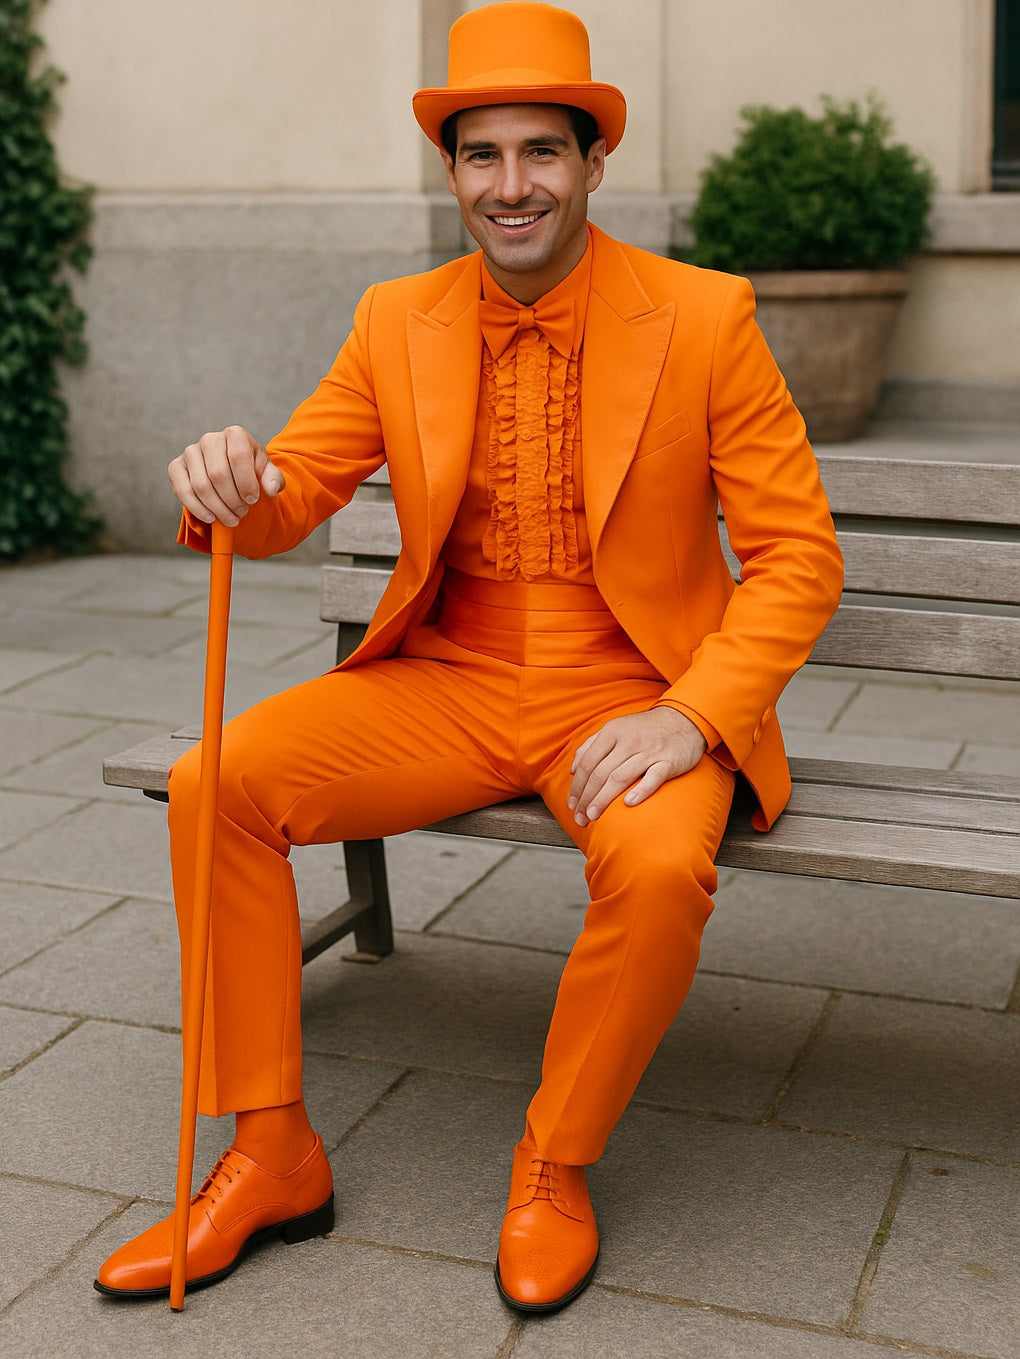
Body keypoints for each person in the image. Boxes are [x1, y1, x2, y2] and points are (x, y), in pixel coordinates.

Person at [95, 1, 843, 1314]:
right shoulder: (397, 320)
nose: (513, 186)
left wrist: (694, 719)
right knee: (220, 783)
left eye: (540, 153)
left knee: (666, 865)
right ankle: (271, 1156)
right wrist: (231, 481)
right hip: (448, 678)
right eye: (482, 155)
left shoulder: (707, 317)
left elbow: (798, 559)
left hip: (631, 688)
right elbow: (289, 494)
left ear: (592, 162)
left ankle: (554, 1163)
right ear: (451, 170)